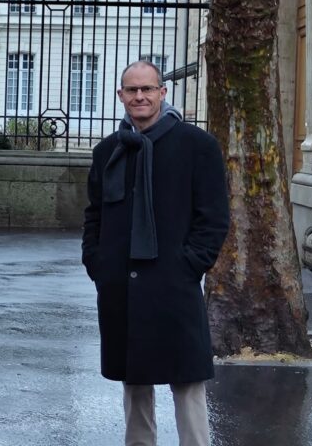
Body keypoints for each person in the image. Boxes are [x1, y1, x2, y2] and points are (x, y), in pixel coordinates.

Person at [82, 60, 230, 446]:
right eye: (132, 90)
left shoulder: (198, 146)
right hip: (121, 284)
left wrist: (190, 265)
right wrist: (97, 262)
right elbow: (94, 213)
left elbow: (213, 218)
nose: (140, 96)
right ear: (121, 96)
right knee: (134, 381)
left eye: (147, 89)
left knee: (187, 380)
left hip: (174, 282)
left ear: (163, 93)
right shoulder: (107, 151)